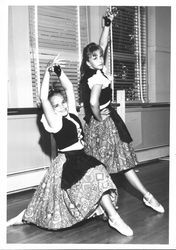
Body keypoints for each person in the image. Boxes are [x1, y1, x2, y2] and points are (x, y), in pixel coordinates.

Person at [7, 56, 134, 237]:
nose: (61, 107)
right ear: (51, 110)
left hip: (82, 157)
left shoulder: (72, 113)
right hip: (68, 162)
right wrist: (46, 73)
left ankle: (110, 214)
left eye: (63, 102)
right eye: (56, 105)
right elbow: (43, 97)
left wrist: (58, 71)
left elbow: (68, 87)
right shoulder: (55, 122)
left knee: (99, 176)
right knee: (93, 177)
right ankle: (114, 217)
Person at [80, 10, 164, 214]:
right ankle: (143, 197)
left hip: (95, 124)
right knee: (120, 164)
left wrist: (107, 25)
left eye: (100, 57)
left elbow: (102, 46)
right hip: (104, 124)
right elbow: (92, 102)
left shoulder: (90, 72)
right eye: (95, 58)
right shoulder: (97, 78)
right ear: (89, 61)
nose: (100, 59)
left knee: (101, 166)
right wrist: (100, 117)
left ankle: (107, 205)